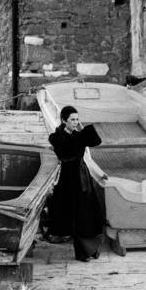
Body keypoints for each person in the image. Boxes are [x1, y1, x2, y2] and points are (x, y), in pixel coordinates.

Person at [47, 105, 104, 262]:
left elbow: (97, 141)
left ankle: (88, 250)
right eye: (72, 119)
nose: (75, 122)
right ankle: (83, 252)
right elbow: (63, 147)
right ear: (64, 120)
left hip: (81, 175)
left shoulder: (79, 135)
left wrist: (81, 128)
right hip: (67, 177)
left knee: (85, 213)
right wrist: (75, 134)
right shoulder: (56, 137)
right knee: (74, 215)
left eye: (77, 119)